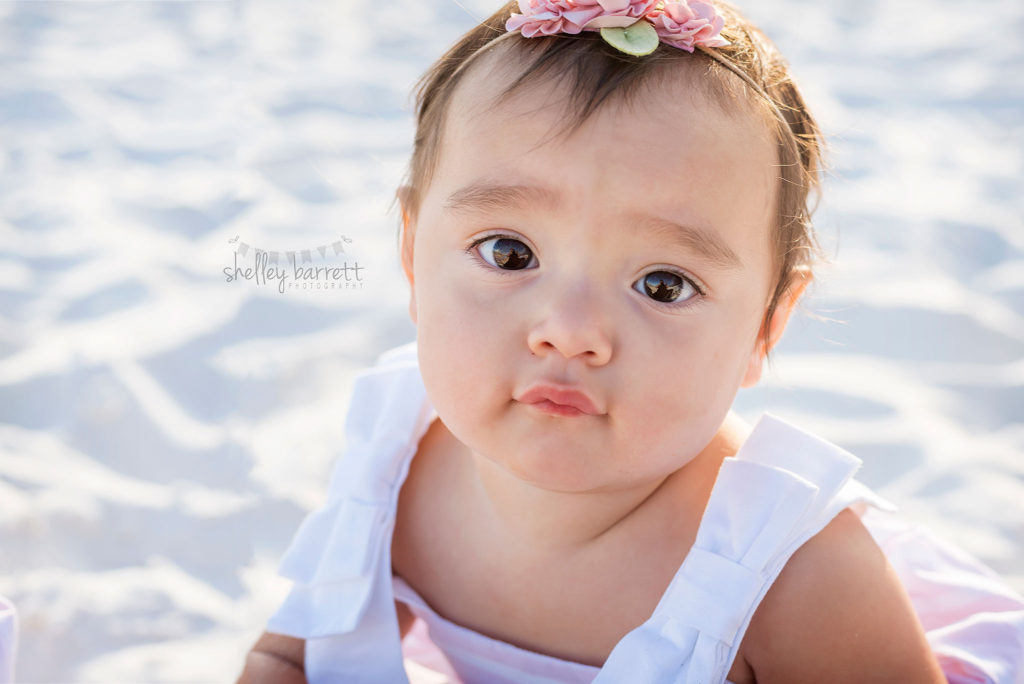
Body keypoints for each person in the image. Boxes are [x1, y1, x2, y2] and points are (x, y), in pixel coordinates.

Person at [238, 1, 1024, 682]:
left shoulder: (795, 578)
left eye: (664, 285)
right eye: (510, 253)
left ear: (766, 327)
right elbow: (290, 658)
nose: (571, 332)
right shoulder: (396, 460)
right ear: (412, 259)